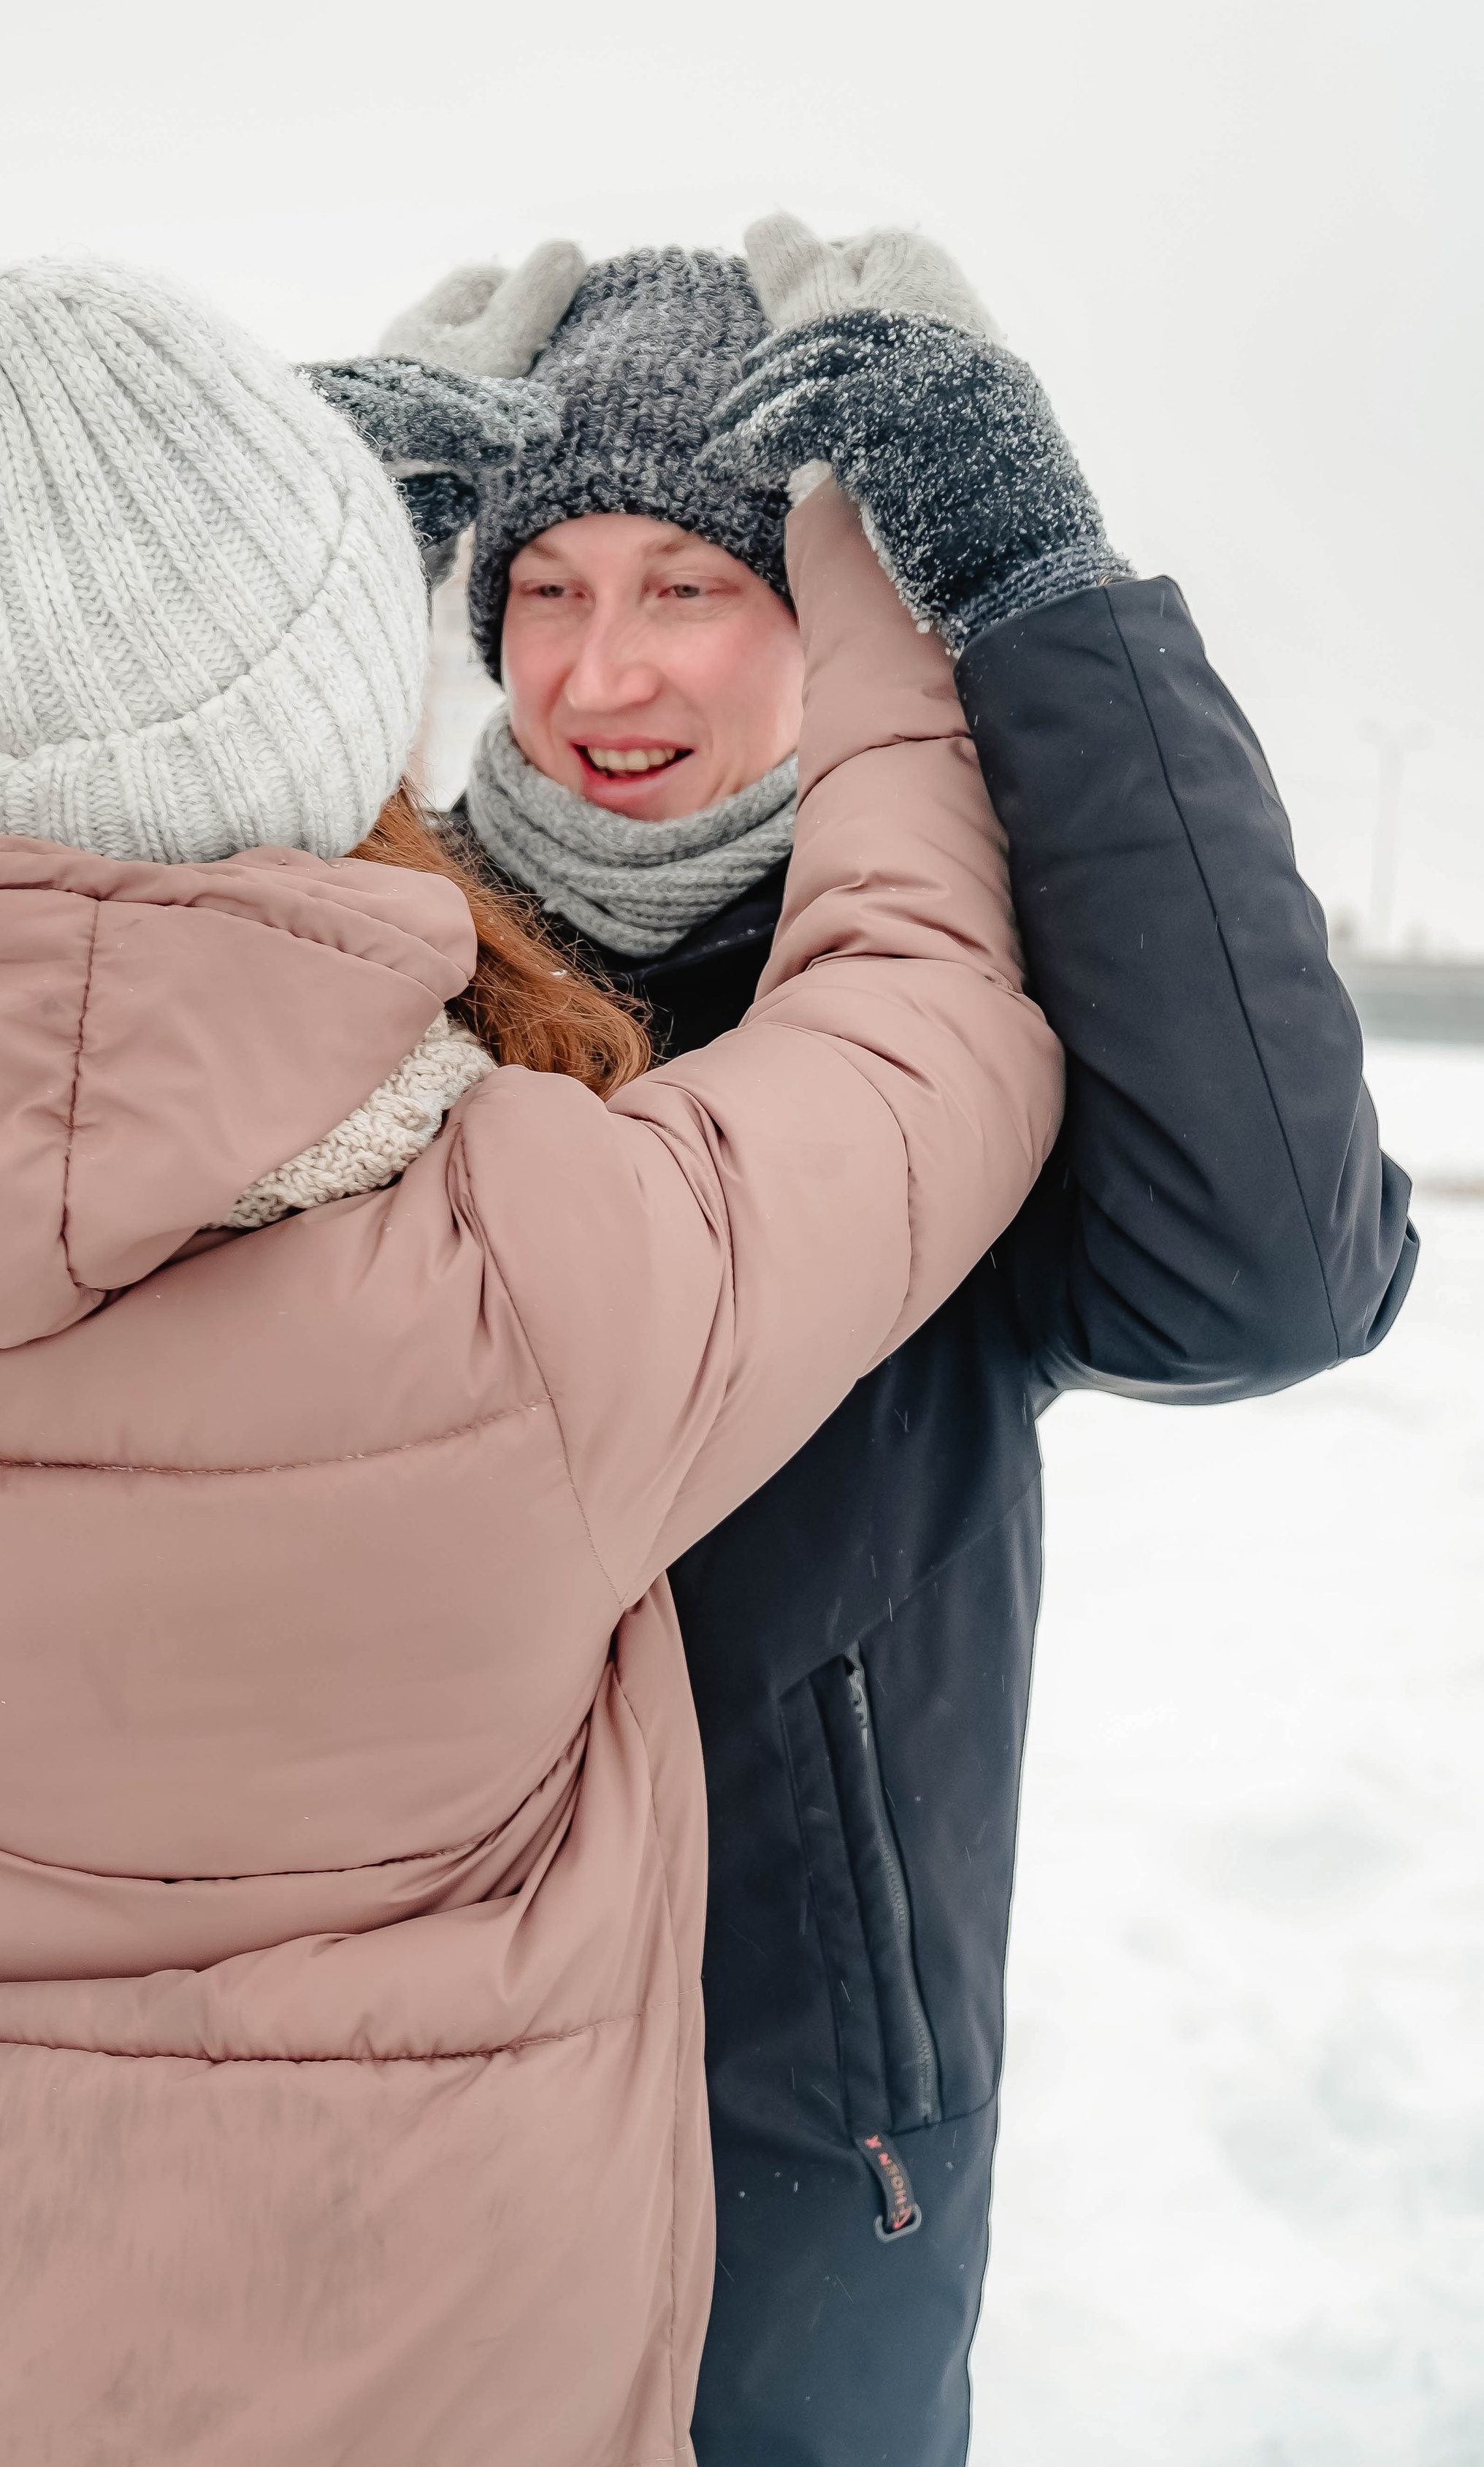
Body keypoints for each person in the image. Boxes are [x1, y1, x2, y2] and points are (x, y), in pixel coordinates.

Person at [0, 258, 1061, 2463]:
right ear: (344, 727)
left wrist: (155, 567)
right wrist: (882, 566)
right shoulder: (531, 1284)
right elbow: (922, 1013)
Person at [346, 218, 1413, 2466]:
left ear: (827, 619)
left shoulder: (943, 1033)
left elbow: (1282, 1274)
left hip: (808, 2184)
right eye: (545, 587)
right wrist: (293, 524)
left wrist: (1031, 580)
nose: (597, 673)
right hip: (358, 2135)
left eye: (690, 586)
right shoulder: (351, 962)